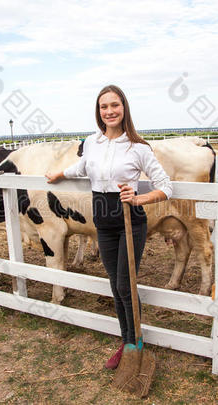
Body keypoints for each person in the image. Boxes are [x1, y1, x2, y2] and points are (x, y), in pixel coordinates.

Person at [46, 85, 173, 369]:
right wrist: (59, 173)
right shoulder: (92, 143)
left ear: (124, 108)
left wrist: (140, 197)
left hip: (130, 222)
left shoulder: (138, 147)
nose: (110, 111)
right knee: (115, 287)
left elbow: (166, 186)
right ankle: (126, 340)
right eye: (104, 107)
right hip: (102, 224)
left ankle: (134, 343)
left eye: (114, 105)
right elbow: (82, 167)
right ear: (98, 112)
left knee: (126, 285)